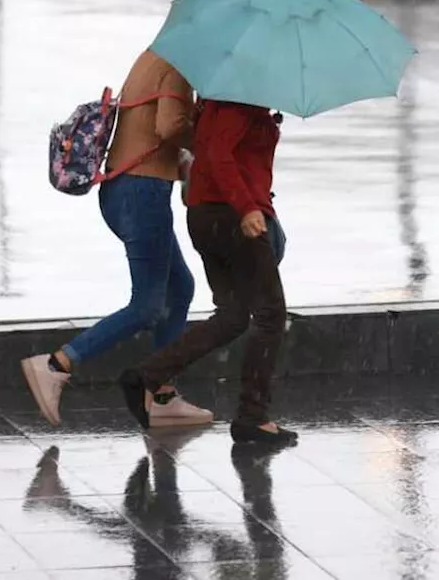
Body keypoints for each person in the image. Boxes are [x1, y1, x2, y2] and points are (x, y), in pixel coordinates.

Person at [21, 50, 212, 428]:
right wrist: (209, 138)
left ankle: (162, 395)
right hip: (143, 191)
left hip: (125, 187)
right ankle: (57, 363)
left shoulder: (153, 58)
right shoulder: (178, 66)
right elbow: (170, 126)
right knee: (147, 306)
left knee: (179, 288)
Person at [118, 99, 297, 448]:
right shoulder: (238, 102)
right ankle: (252, 416)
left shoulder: (225, 101)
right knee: (271, 314)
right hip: (232, 217)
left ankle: (146, 376)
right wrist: (247, 208)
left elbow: (219, 151)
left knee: (233, 316)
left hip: (208, 214)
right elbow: (218, 155)